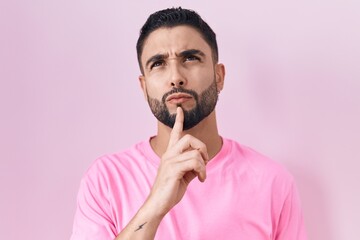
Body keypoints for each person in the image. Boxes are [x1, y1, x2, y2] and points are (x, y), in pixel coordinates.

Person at [70, 7, 307, 240]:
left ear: (219, 76)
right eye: (158, 64)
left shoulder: (272, 181)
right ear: (144, 87)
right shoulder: (105, 180)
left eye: (190, 58)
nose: (176, 77)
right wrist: (155, 205)